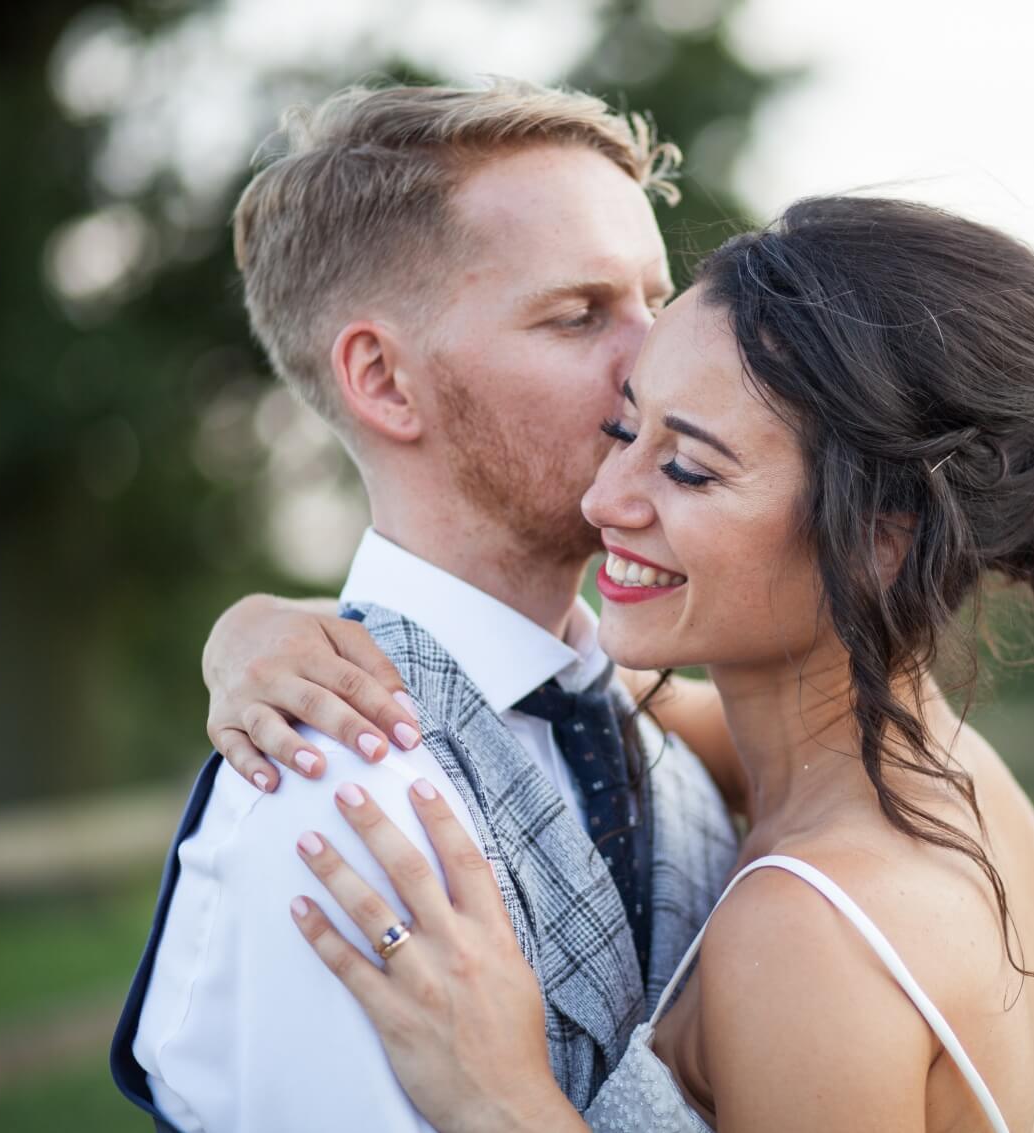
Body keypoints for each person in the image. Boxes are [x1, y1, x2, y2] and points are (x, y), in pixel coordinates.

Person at [207, 194, 1034, 1131]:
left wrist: (503, 1100)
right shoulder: (950, 775)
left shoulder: (804, 926)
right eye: (627, 427)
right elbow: (564, 681)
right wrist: (265, 626)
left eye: (686, 467)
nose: (605, 499)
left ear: (879, 539)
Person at [109, 79, 743, 1133]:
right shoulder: (332, 803)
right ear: (385, 382)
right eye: (580, 314)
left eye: (655, 301)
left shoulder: (674, 738)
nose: (659, 361)